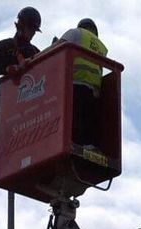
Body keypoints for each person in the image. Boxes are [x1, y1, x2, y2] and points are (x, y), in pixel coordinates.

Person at [58, 18, 106, 148]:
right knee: (87, 119)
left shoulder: (76, 33)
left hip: (76, 82)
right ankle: (88, 147)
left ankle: (74, 143)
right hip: (94, 89)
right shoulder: (101, 46)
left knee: (74, 117)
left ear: (81, 26)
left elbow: (58, 48)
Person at [0, 7, 42, 76]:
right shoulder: (5, 46)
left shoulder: (35, 52)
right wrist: (9, 68)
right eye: (30, 28)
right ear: (21, 25)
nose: (33, 33)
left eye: (34, 30)